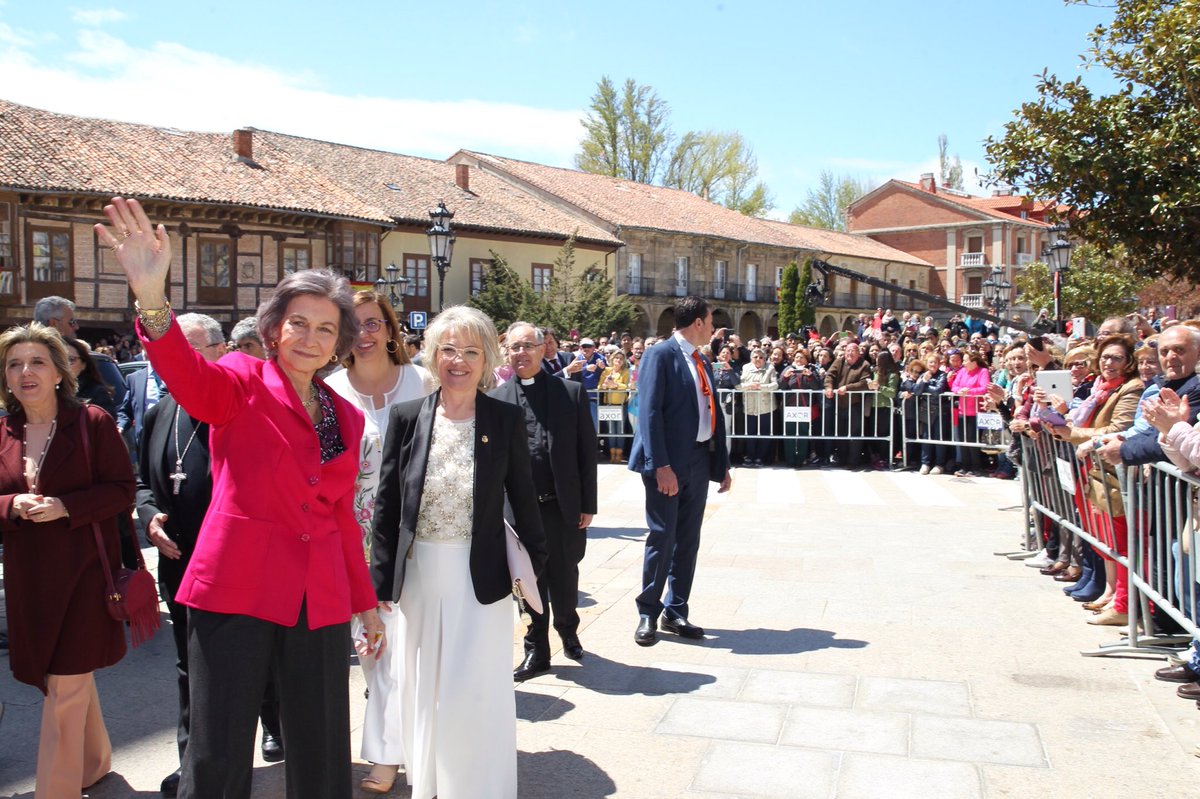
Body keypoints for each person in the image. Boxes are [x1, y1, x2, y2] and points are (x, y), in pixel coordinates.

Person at [96, 196, 384, 799]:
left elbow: (340, 520)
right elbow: (184, 376)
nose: (309, 336)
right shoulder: (240, 380)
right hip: (237, 588)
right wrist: (152, 297)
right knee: (220, 746)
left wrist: (366, 603)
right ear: (275, 328)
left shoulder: (343, 418)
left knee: (323, 746)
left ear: (339, 344)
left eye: (325, 328)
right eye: (298, 322)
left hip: (319, 594)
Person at [371, 306, 547, 799]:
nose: (458, 361)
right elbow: (388, 508)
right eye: (448, 349)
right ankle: (430, 786)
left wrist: (537, 574)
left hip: (481, 579)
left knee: (474, 691)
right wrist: (379, 587)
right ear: (432, 355)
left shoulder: (505, 419)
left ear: (488, 358)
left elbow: (524, 500)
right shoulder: (407, 418)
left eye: (471, 351)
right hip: (420, 580)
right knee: (424, 690)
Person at [136, 313, 285, 797]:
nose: (178, 365)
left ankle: (271, 726)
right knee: (188, 665)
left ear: (222, 352)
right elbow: (142, 481)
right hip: (178, 559)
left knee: (250, 662)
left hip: (235, 562)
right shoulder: (162, 413)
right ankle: (191, 761)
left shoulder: (242, 406)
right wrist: (149, 514)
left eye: (192, 351)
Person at [0, 322, 135, 796]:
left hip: (84, 574)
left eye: (37, 361)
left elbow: (122, 490)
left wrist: (66, 507)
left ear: (60, 371)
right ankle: (94, 762)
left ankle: (55, 789)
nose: (25, 372)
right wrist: (10, 506)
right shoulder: (2, 430)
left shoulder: (91, 422)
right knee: (66, 680)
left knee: (65, 685)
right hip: (29, 577)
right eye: (14, 364)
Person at [324, 291, 433, 794]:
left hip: (423, 536)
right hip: (356, 540)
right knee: (376, 648)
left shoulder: (424, 382)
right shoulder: (328, 392)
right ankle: (387, 754)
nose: (364, 334)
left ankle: (411, 746)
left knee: (418, 649)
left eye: (373, 323)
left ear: (391, 330)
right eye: (354, 326)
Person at [491, 322, 597, 683]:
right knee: (526, 583)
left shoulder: (570, 393)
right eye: (513, 347)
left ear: (543, 348)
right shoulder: (496, 399)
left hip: (561, 505)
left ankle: (568, 629)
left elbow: (586, 453)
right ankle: (536, 649)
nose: (520, 353)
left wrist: (588, 504)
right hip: (519, 512)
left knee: (565, 578)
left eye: (527, 346)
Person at [628, 296, 731, 646]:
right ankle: (648, 612)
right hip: (669, 463)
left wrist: (721, 465)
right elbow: (650, 413)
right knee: (663, 536)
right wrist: (661, 466)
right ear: (699, 323)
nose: (713, 328)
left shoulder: (699, 359)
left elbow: (711, 412)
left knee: (688, 540)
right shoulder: (661, 354)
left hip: (699, 460)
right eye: (711, 321)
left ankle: (676, 610)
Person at [32, 295, 129, 409]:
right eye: (72, 322)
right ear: (54, 323)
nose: (77, 327)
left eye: (71, 360)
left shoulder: (93, 394)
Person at [737, 347, 778, 467]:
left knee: (764, 433)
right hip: (750, 406)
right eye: (755, 357)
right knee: (750, 433)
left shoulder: (770, 368)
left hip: (766, 406)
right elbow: (739, 385)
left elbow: (775, 384)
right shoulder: (746, 368)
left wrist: (761, 387)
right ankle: (750, 456)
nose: (758, 359)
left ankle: (760, 457)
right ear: (751, 359)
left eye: (761, 357)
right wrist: (750, 385)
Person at [64, 338, 118, 419]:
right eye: (61, 360)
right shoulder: (49, 391)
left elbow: (108, 425)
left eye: (71, 359)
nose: (65, 365)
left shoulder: (97, 392)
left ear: (83, 365)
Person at [598, 349, 631, 462]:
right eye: (616, 358)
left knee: (620, 431)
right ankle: (612, 455)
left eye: (621, 358)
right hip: (609, 405)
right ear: (612, 359)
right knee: (611, 431)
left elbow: (627, 386)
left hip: (621, 405)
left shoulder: (626, 371)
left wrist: (615, 384)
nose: (618, 360)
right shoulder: (606, 371)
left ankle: (619, 454)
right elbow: (600, 386)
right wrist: (606, 385)